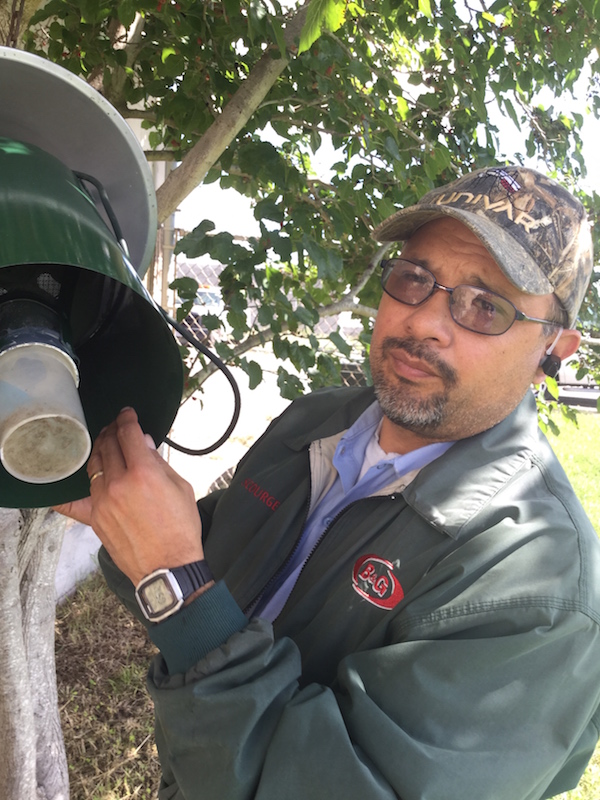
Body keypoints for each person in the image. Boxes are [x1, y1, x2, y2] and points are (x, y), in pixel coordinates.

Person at [56, 165, 600, 800]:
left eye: (486, 305)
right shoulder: (318, 422)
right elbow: (210, 568)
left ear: (554, 352)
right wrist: (126, 515)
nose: (424, 321)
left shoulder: (534, 585)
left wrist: (172, 582)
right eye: (415, 278)